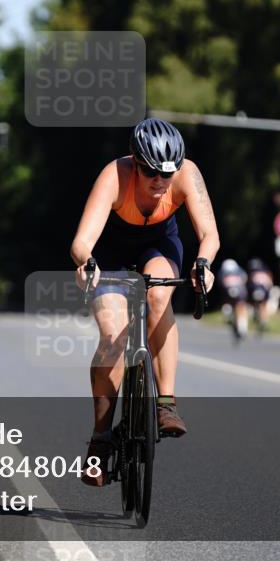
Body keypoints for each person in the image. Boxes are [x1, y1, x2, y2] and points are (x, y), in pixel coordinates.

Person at [70, 117, 219, 487]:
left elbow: (209, 233)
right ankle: (101, 440)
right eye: (151, 171)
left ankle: (165, 401)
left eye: (167, 173)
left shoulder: (188, 174)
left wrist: (204, 264)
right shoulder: (114, 176)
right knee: (113, 334)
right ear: (135, 162)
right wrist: (87, 264)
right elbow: (81, 241)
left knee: (158, 296)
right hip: (111, 253)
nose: (159, 180)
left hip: (159, 246)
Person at [218, 259, 249, 338]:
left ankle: (228, 313)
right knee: (241, 307)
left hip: (232, 293)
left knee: (232, 304)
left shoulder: (223, 273)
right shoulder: (239, 272)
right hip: (239, 293)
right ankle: (242, 326)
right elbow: (245, 279)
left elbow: (220, 283)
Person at [246, 258, 274, 331]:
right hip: (261, 291)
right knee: (262, 305)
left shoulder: (255, 273)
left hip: (262, 291)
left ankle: (263, 320)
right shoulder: (265, 272)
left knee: (262, 304)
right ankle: (263, 320)